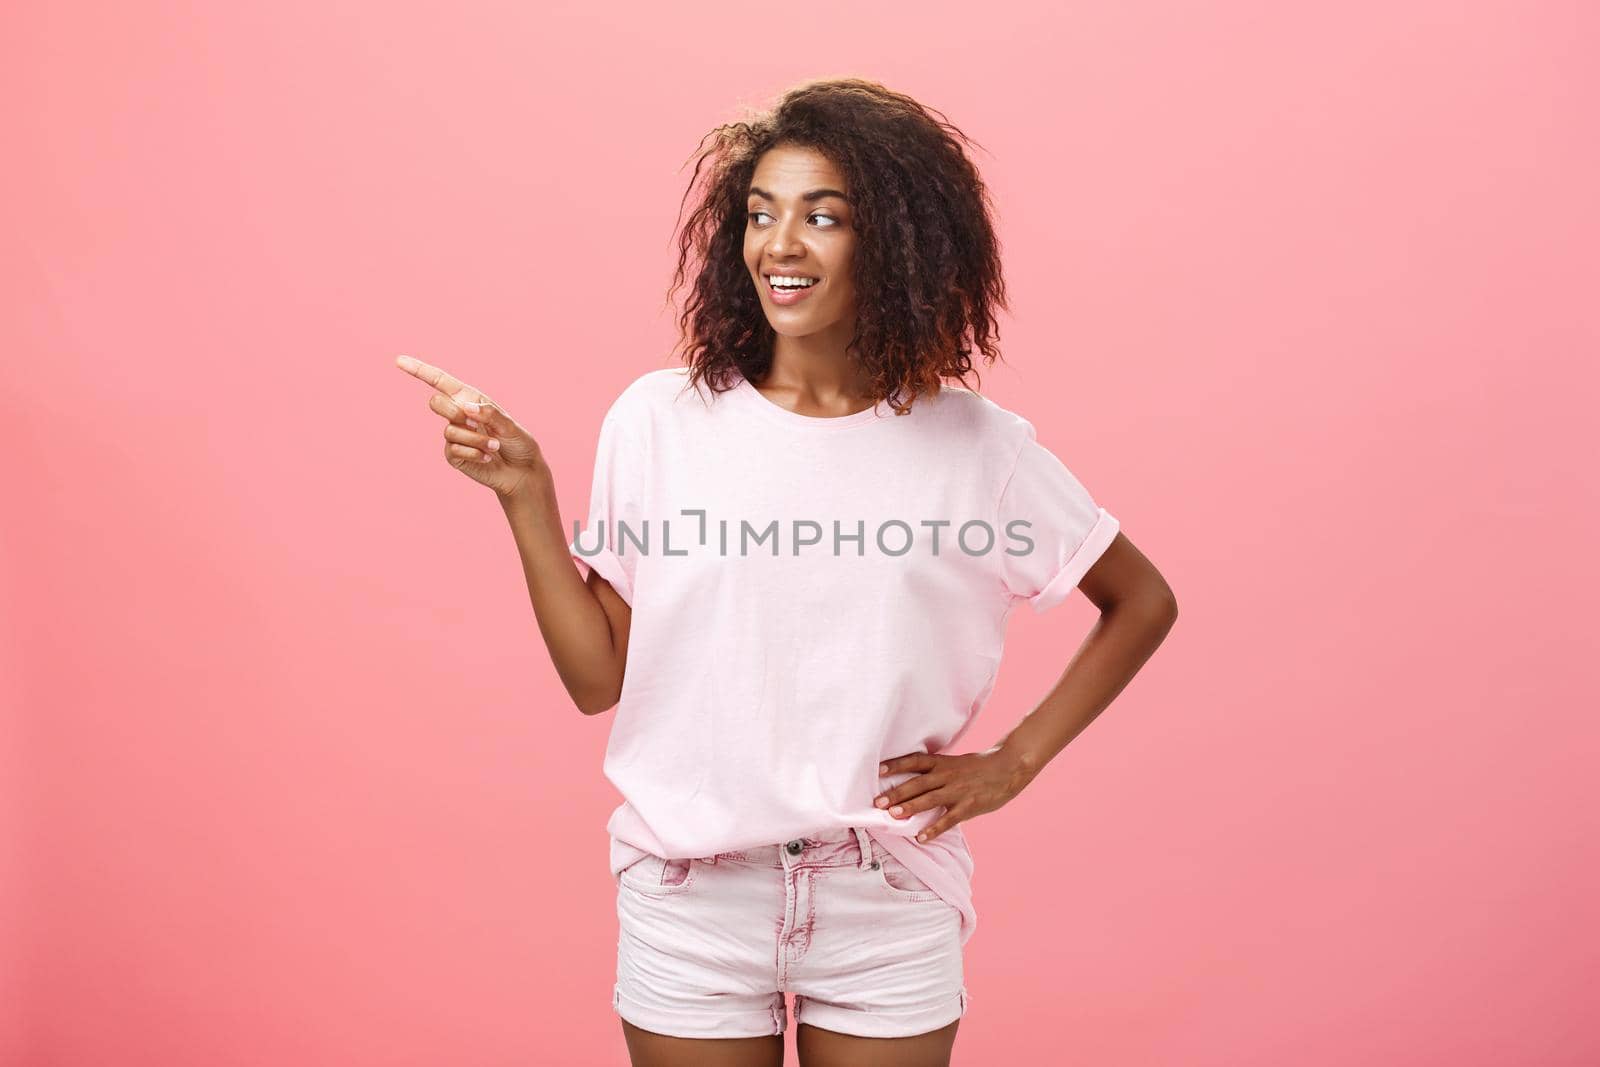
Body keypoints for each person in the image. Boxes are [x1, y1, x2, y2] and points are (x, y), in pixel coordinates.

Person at [397, 77, 1178, 1067]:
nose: (780, 244)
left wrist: (1012, 762)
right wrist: (527, 495)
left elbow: (1141, 599)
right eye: (761, 215)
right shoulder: (658, 419)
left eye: (822, 217)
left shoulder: (977, 448)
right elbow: (599, 679)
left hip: (883, 888)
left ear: (895, 241)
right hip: (693, 888)